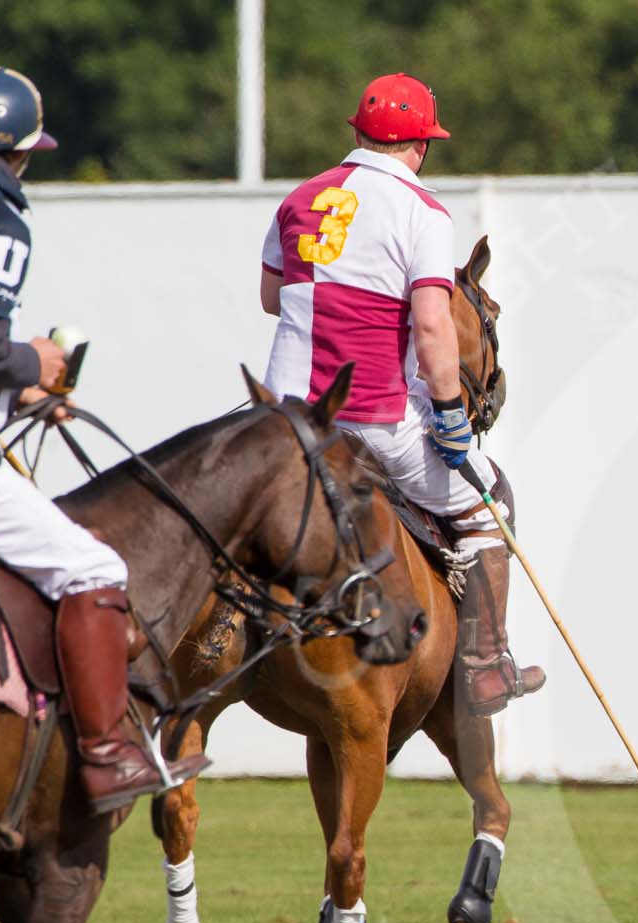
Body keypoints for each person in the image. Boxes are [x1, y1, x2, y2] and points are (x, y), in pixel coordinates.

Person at [0, 67, 205, 811]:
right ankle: (107, 755)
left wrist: (17, 389)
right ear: (20, 154)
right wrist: (34, 360)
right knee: (92, 566)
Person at [259, 72, 542, 717]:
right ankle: (487, 664)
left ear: (356, 134)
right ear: (421, 146)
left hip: (276, 414)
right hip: (369, 417)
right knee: (487, 498)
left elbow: (272, 298)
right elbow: (434, 324)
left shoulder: (300, 199)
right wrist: (449, 419)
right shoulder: (422, 211)